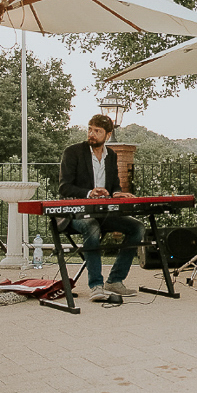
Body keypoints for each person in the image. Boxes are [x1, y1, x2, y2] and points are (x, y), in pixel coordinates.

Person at [59, 114, 145, 302]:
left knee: (137, 227)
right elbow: (64, 187)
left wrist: (117, 193)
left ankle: (115, 280)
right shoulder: (72, 152)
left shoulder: (111, 155)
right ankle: (96, 285)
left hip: (103, 213)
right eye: (90, 129)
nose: (92, 134)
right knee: (91, 226)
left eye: (97, 131)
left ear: (108, 134)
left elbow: (113, 185)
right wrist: (89, 192)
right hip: (76, 214)